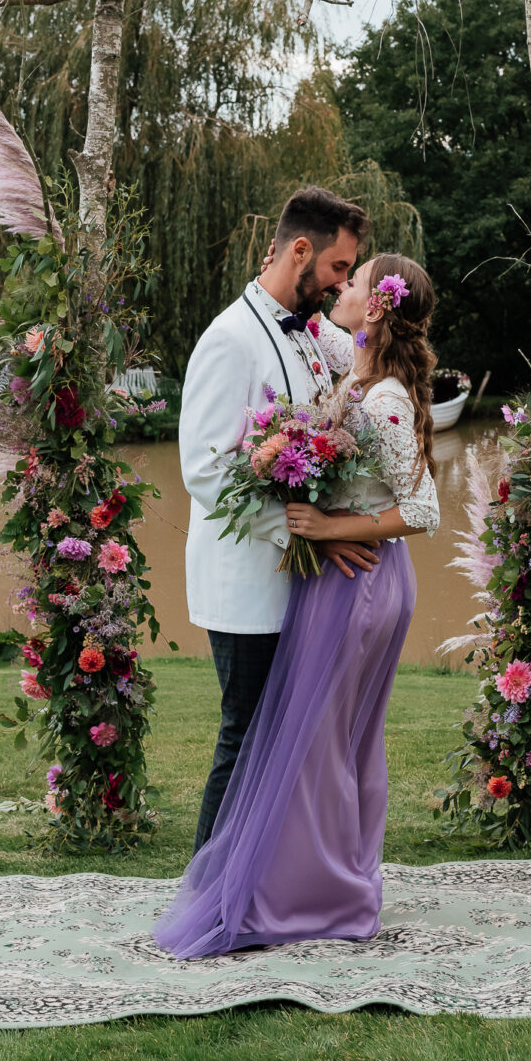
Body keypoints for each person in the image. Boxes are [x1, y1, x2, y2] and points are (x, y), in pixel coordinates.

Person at [153, 254, 440, 958]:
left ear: (377, 307)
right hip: (342, 580)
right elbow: (306, 320)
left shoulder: (387, 400)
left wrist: (330, 528)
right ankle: (309, 883)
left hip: (363, 580)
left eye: (356, 282)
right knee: (317, 742)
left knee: (327, 745)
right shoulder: (354, 358)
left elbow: (424, 507)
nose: (341, 289)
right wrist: (284, 272)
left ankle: (330, 894)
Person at [178, 186, 376, 855]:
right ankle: (206, 891)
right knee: (246, 735)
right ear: (300, 250)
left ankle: (257, 886)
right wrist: (299, 531)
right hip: (244, 581)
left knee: (277, 740)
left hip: (293, 580)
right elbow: (205, 470)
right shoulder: (229, 339)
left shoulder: (311, 337)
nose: (341, 281)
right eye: (340, 268)